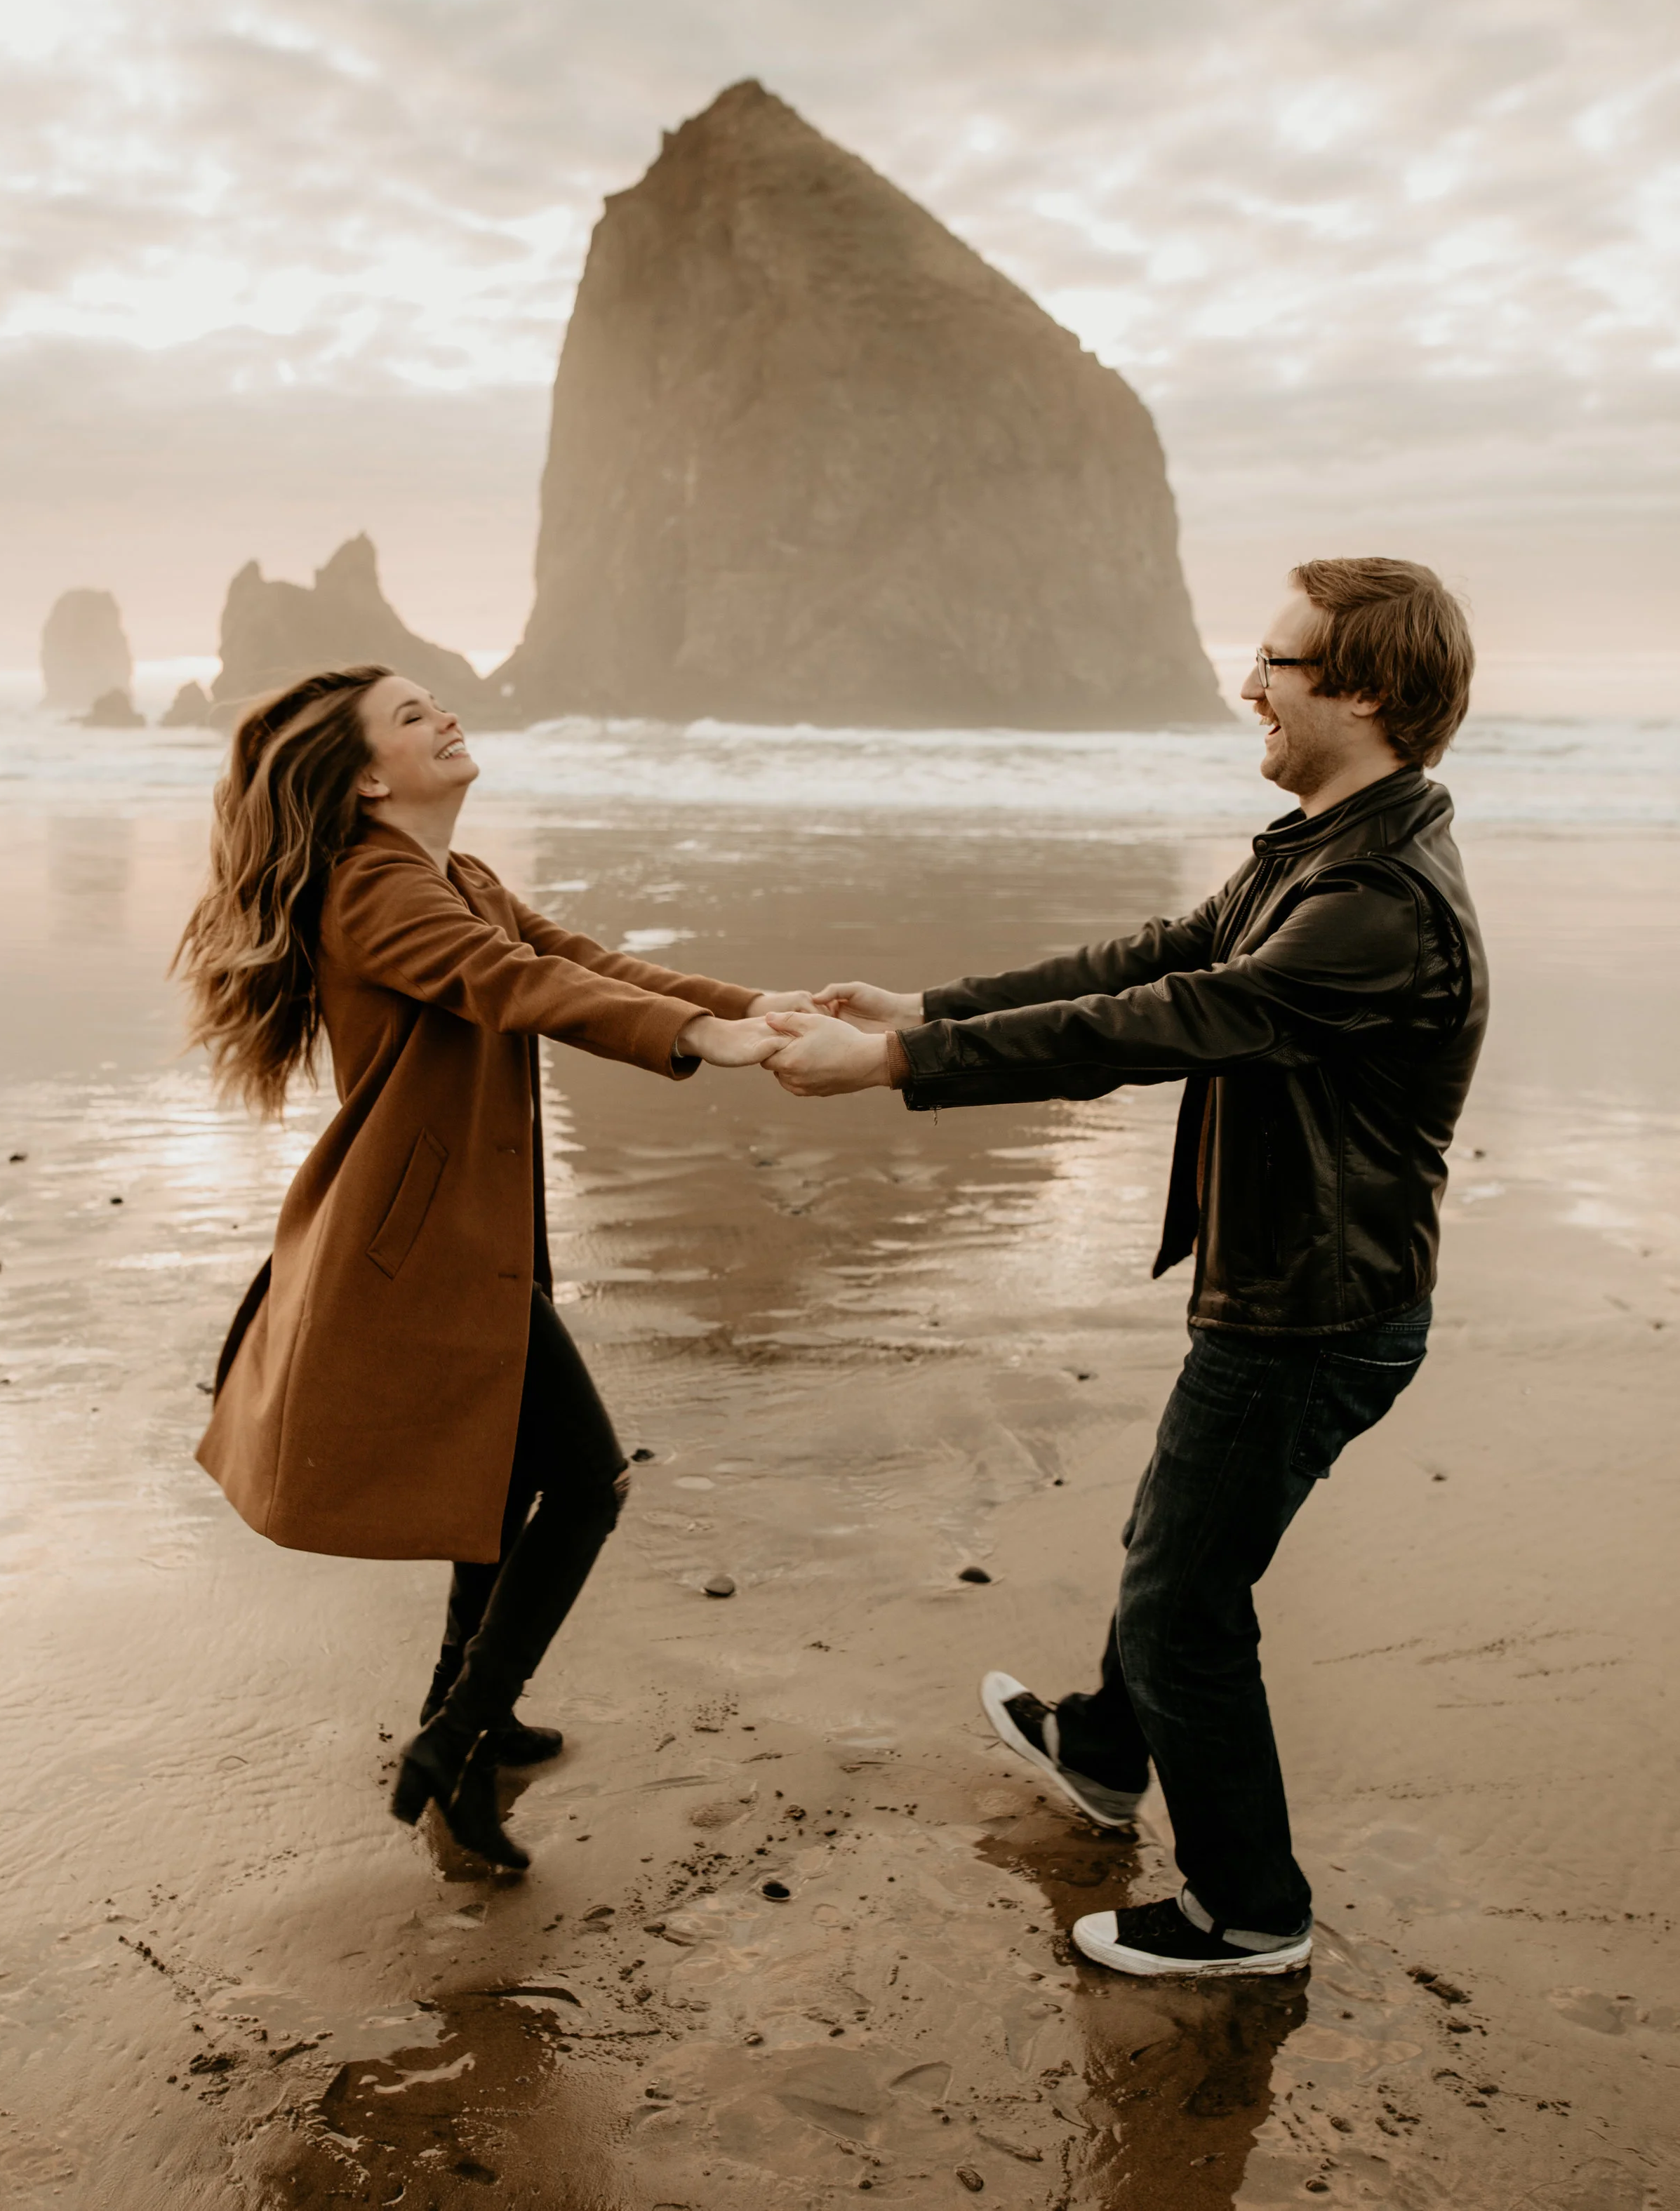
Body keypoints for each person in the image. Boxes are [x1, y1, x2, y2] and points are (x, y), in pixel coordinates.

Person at [762, 558, 1486, 1978]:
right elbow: (1164, 950)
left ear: (1367, 691)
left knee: (1182, 1604)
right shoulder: (1322, 843)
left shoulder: (1379, 901)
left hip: (1315, 1313)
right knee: (1179, 1544)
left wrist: (899, 1062)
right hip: (1294, 1286)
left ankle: (1245, 1911)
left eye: (1273, 663)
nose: (1245, 685)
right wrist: (933, 1006)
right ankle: (1098, 1747)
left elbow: (1169, 1018)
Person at [176, 665, 804, 1869]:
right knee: (585, 1484)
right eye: (413, 716)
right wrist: (694, 1040)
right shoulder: (372, 887)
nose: (445, 716)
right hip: (422, 1256)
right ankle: (455, 1741)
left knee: (497, 1478)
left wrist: (746, 1004)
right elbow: (512, 984)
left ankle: (470, 1712)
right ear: (367, 775)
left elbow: (587, 957)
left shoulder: (456, 876)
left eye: (435, 703)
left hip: (470, 1237)